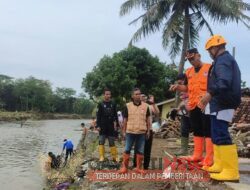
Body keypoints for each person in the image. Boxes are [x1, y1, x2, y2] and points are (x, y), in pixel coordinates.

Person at [199, 35, 241, 181]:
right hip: (220, 103)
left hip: (224, 102)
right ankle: (219, 164)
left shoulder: (223, 61)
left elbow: (224, 82)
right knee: (216, 133)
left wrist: (209, 94)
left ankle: (230, 171)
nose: (209, 53)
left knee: (221, 134)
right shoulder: (222, 60)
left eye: (209, 50)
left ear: (215, 48)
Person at [170, 48, 213, 168]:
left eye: (193, 58)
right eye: (189, 59)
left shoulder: (209, 68)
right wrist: (178, 87)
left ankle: (209, 159)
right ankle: (197, 155)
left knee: (208, 130)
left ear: (199, 55)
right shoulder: (188, 72)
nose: (191, 61)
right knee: (197, 129)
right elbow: (187, 88)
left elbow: (215, 86)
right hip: (193, 105)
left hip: (206, 104)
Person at [119, 88, 151, 174]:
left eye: (139, 94)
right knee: (127, 149)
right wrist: (123, 131)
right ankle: (124, 168)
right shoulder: (128, 106)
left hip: (141, 132)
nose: (138, 95)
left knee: (140, 150)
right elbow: (125, 120)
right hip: (130, 132)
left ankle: (138, 168)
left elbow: (148, 119)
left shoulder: (146, 106)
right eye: (136, 94)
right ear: (132, 96)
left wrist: (148, 131)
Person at [96, 88, 119, 162]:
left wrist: (117, 124)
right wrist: (98, 126)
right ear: (104, 95)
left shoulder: (113, 103)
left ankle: (114, 157)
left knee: (111, 141)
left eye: (109, 94)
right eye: (106, 94)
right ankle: (102, 156)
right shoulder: (100, 104)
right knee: (101, 141)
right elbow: (98, 116)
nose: (108, 95)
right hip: (102, 125)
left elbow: (115, 115)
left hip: (111, 125)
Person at [174, 73, 192, 156]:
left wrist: (183, 105)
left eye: (181, 83)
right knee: (184, 129)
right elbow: (183, 101)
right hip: (185, 112)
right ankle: (183, 149)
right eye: (178, 83)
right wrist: (177, 109)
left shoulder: (191, 86)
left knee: (199, 131)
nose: (179, 85)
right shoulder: (182, 91)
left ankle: (202, 150)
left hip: (194, 111)